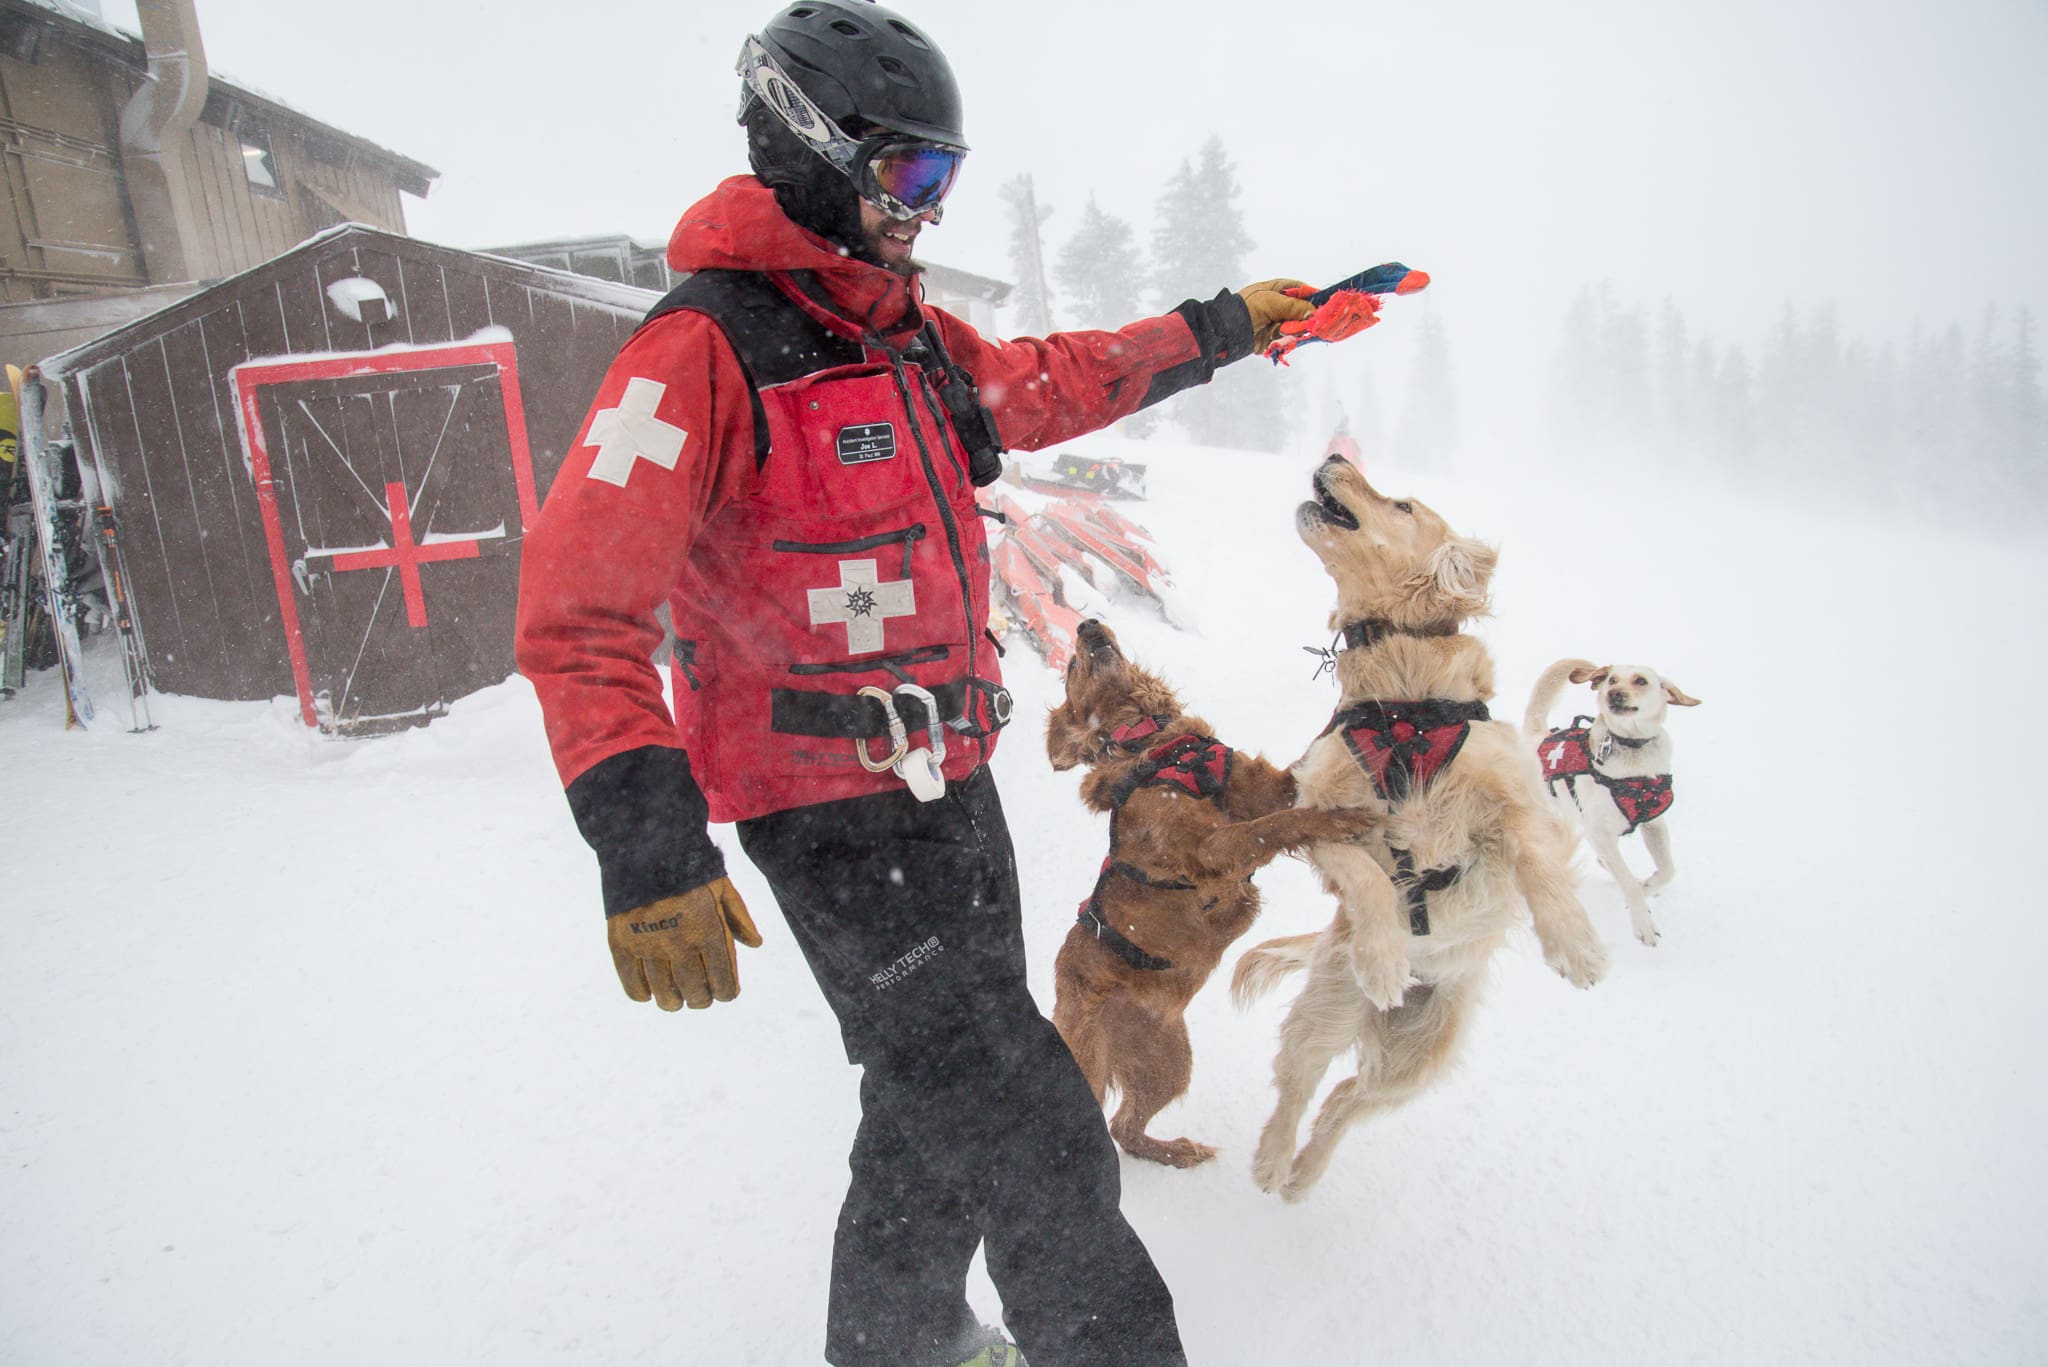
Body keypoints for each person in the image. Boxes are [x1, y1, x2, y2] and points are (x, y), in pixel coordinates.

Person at [513, 3, 1315, 1363]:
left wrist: (1221, 326)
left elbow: (1054, 383)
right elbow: (578, 607)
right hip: (823, 818)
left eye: (945, 177)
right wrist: (648, 848)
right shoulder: (705, 351)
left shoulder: (902, 338)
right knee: (1033, 1132)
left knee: (926, 1102)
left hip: (949, 793)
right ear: (817, 150)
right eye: (911, 175)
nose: (928, 210)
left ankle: (897, 1346)